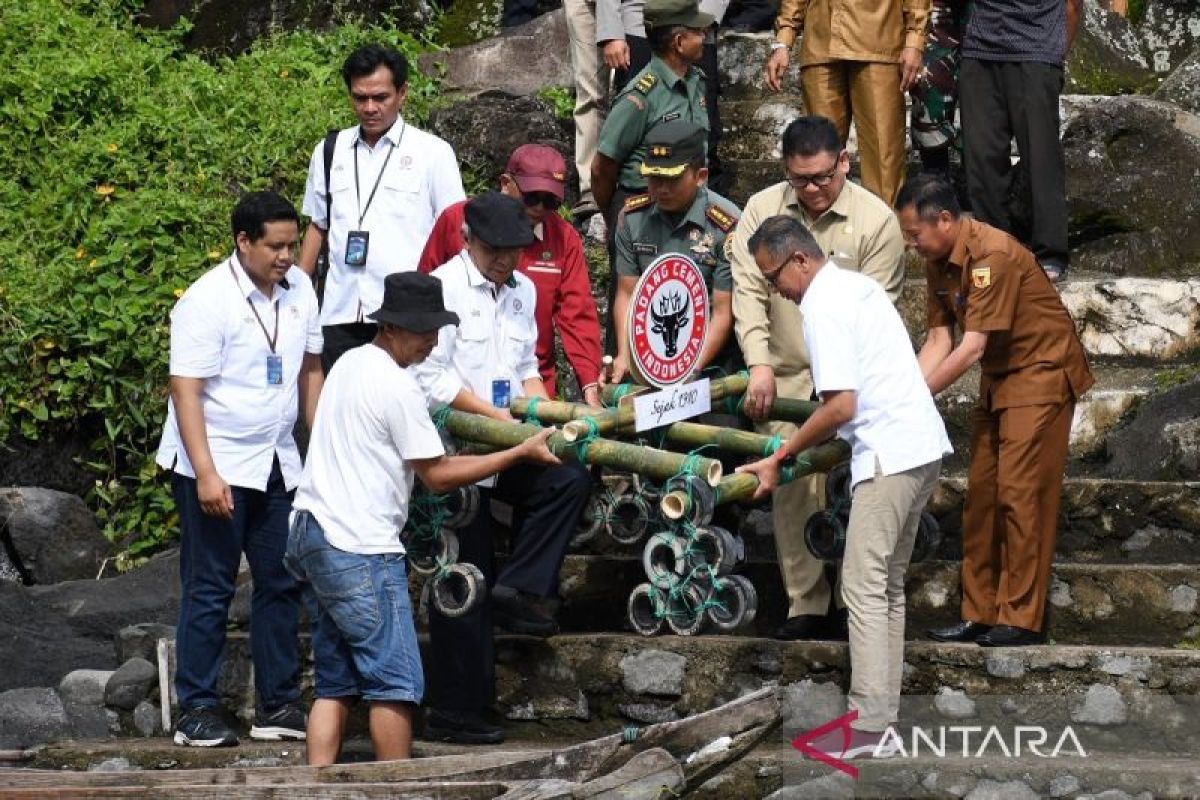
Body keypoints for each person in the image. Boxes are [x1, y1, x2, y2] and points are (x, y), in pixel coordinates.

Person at [286, 272, 562, 765]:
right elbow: (437, 474)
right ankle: (400, 789)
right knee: (394, 682)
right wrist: (517, 453)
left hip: (312, 532)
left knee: (336, 682)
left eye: (437, 330)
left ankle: (316, 788)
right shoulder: (395, 385)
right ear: (390, 327)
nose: (433, 341)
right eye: (423, 330)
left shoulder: (348, 363)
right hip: (359, 546)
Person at [739, 214, 950, 759]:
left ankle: (869, 725)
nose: (776, 290)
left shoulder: (824, 307)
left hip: (888, 454)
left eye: (774, 276)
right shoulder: (859, 287)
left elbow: (840, 405)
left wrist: (782, 453)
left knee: (861, 587)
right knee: (886, 587)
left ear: (801, 259)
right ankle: (882, 719)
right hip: (921, 445)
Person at [414, 192, 592, 744]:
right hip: (458, 450)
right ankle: (457, 709)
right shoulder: (440, 288)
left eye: (514, 251)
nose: (505, 261)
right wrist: (498, 420)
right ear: (468, 240)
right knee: (463, 576)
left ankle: (521, 588)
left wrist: (544, 415)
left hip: (511, 434)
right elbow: (433, 379)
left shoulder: (524, 290)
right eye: (494, 250)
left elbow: (526, 368)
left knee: (570, 477)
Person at [897, 174, 1094, 647]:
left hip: (1041, 374)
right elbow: (940, 338)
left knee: (1020, 495)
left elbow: (970, 347)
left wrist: (916, 400)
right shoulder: (939, 259)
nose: (910, 243)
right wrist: (905, 393)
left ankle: (1020, 618)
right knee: (982, 497)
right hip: (1000, 380)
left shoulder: (994, 255)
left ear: (944, 219)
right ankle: (980, 612)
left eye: (913, 233)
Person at [156, 191, 324, 747]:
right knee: (210, 586)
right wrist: (205, 472)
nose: (286, 256)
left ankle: (277, 704)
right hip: (219, 458)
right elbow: (186, 392)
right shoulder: (207, 300)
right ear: (243, 242)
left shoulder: (299, 288)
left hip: (278, 459)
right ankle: (196, 708)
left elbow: (310, 368)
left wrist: (318, 445)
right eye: (275, 246)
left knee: (281, 579)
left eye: (292, 244)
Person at [729, 115, 906, 641]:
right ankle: (806, 603)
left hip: (853, 378)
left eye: (823, 177)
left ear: (844, 163)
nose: (812, 190)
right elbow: (748, 291)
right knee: (789, 484)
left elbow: (879, 312)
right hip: (784, 370)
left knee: (858, 486)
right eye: (800, 179)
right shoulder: (762, 211)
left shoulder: (875, 221)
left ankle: (858, 601)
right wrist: (757, 362)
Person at [298, 43, 465, 369]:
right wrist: (299, 295)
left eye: (380, 97)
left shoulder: (432, 153)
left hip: (404, 314)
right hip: (340, 308)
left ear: (402, 93)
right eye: (360, 98)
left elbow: (453, 232)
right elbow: (319, 224)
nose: (370, 107)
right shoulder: (330, 151)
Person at [417, 144, 603, 405]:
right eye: (532, 196)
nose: (539, 207)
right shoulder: (456, 221)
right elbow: (421, 298)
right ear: (506, 183)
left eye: (551, 201)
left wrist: (589, 382)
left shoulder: (561, 239)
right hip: (458, 398)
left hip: (527, 388)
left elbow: (577, 313)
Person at [607, 120, 741, 385]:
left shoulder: (726, 224)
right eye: (654, 178)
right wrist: (625, 355)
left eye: (672, 179)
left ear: (700, 176)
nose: (662, 189)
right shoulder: (632, 218)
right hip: (649, 353)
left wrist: (690, 371)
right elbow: (626, 293)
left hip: (712, 360)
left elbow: (724, 311)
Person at [958, 0, 1081, 282]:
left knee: (1041, 156)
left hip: (1037, 51)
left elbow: (1073, 5)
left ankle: (1050, 251)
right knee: (981, 157)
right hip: (980, 49)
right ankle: (993, 247)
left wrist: (1055, 55)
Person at [764, 0, 930, 206]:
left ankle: (886, 234)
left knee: (884, 158)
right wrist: (783, 40)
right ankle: (818, 232)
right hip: (821, 41)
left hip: (879, 38)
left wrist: (914, 40)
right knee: (817, 152)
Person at [597, 0, 727, 189]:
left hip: (693, 196)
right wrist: (615, 213)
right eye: (698, 31)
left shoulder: (697, 81)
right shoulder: (638, 97)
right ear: (680, 42)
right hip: (649, 199)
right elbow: (603, 167)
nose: (704, 34)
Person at [909, 0, 971, 177]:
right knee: (928, 96)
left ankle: (975, 188)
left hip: (986, 22)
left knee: (984, 117)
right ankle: (937, 186)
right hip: (933, 21)